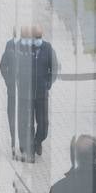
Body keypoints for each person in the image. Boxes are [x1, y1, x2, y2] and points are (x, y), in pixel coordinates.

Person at [17, 25, 59, 162]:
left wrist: (48, 83)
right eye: (35, 38)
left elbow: (54, 68)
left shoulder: (47, 48)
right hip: (25, 94)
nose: (37, 40)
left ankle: (38, 141)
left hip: (41, 93)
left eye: (39, 38)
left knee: (43, 123)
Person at [0, 31, 21, 158]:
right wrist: (8, 80)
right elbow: (2, 65)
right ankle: (14, 142)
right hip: (12, 90)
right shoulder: (9, 46)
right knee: (12, 116)